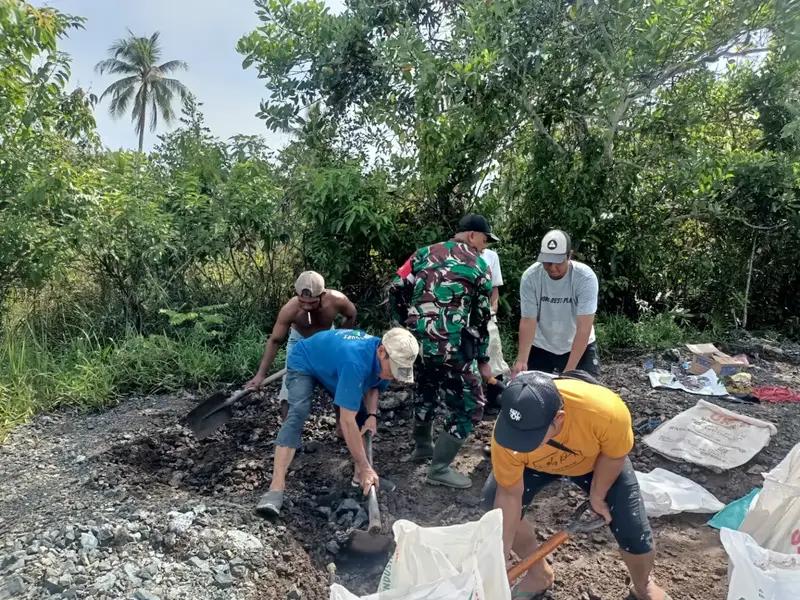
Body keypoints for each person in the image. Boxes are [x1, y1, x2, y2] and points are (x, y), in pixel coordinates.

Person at [481, 371, 670, 600]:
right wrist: (500, 554)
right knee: (495, 508)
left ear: (558, 419)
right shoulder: (506, 438)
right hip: (533, 466)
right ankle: (539, 574)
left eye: (529, 437)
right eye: (515, 436)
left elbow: (614, 456)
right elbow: (509, 494)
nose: (519, 444)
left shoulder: (605, 411)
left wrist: (598, 496)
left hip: (595, 461)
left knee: (632, 526)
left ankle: (642, 585)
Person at [255, 327, 420, 518]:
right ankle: (275, 489)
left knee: (361, 416)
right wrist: (366, 466)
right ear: (382, 352)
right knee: (298, 412)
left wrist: (372, 416)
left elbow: (374, 386)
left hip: (335, 365)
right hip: (306, 360)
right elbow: (347, 420)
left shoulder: (386, 358)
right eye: (394, 368)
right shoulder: (356, 362)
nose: (395, 375)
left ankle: (359, 479)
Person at [388, 213, 495, 488]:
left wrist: (406, 325)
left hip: (417, 344)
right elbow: (481, 317)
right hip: (452, 346)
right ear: (472, 235)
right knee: (472, 405)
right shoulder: (479, 265)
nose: (484, 247)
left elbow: (396, 287)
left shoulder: (421, 254)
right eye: (485, 241)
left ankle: (423, 447)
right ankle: (439, 468)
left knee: (426, 390)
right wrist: (483, 358)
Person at [246, 271, 358, 420]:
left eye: (312, 303)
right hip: (299, 341)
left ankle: (342, 425)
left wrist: (339, 339)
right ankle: (288, 429)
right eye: (302, 301)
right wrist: (260, 374)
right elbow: (275, 340)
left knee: (339, 383)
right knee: (289, 389)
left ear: (322, 295)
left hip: (327, 340)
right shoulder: (290, 309)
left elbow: (351, 314)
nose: (306, 307)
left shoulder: (337, 300)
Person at [512, 230, 600, 378]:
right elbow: (528, 320)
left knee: (583, 388)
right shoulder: (531, 277)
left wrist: (569, 371)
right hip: (541, 344)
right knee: (532, 387)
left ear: (569, 256)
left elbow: (584, 327)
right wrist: (522, 360)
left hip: (578, 345)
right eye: (547, 262)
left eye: (558, 262)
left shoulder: (585, 278)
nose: (552, 268)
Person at [481, 247, 510, 410]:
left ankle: (493, 399)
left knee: (493, 355)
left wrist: (493, 308)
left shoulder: (490, 256)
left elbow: (494, 288)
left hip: (486, 314)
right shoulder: (456, 254)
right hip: (462, 315)